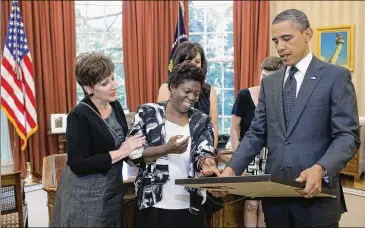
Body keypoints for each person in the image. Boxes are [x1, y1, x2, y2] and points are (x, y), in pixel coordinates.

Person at [217, 9, 360, 228]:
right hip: (275, 203)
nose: (280, 47)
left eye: (287, 38)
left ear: (307, 34)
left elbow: (347, 136)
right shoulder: (269, 84)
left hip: (317, 201)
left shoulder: (335, 77)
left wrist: (321, 168)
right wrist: (231, 169)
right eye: (275, 41)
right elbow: (256, 133)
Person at [51, 52, 146, 227]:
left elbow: (121, 141)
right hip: (84, 195)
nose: (113, 85)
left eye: (112, 78)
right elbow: (78, 164)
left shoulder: (115, 105)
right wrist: (122, 152)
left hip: (112, 187)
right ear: (89, 89)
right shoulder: (78, 116)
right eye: (105, 83)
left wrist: (135, 153)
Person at [129, 60, 219, 228]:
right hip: (153, 205)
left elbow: (204, 152)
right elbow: (133, 154)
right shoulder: (147, 113)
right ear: (172, 87)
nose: (192, 98)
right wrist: (166, 149)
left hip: (189, 207)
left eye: (197, 94)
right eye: (187, 91)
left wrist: (207, 162)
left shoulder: (201, 120)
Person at [230, 56, 283, 228]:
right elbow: (234, 129)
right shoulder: (245, 95)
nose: (265, 81)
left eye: (270, 77)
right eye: (263, 75)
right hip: (250, 155)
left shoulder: (283, 99)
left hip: (273, 156)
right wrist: (240, 160)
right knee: (252, 204)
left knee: (266, 207)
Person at [157, 41, 219, 148]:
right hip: (172, 148)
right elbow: (160, 125)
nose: (193, 64)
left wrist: (209, 153)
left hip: (201, 152)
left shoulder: (210, 91)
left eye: (197, 61)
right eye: (189, 60)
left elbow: (213, 128)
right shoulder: (165, 88)